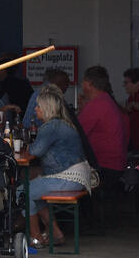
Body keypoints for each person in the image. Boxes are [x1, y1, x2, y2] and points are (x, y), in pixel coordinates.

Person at [24, 87, 94, 248]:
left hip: (67, 177)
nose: (35, 109)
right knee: (33, 192)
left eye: (38, 106)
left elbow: (35, 151)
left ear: (46, 108)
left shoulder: (51, 127)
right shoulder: (63, 123)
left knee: (23, 193)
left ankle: (35, 238)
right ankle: (56, 233)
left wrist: (26, 147)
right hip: (77, 175)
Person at [77, 65, 128, 190]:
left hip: (103, 166)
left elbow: (76, 133)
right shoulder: (106, 100)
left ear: (88, 83)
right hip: (114, 164)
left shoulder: (96, 104)